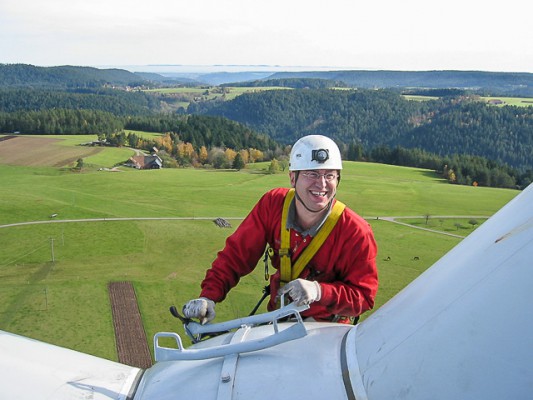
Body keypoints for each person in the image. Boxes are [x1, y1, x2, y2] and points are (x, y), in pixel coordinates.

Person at [183, 135, 378, 324]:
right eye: (312, 174)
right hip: (279, 321)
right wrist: (209, 296)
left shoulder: (355, 232)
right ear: (293, 178)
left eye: (330, 175)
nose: (322, 184)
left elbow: (364, 297)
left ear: (338, 180)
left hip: (327, 329)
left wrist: (319, 291)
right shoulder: (273, 205)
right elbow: (236, 255)